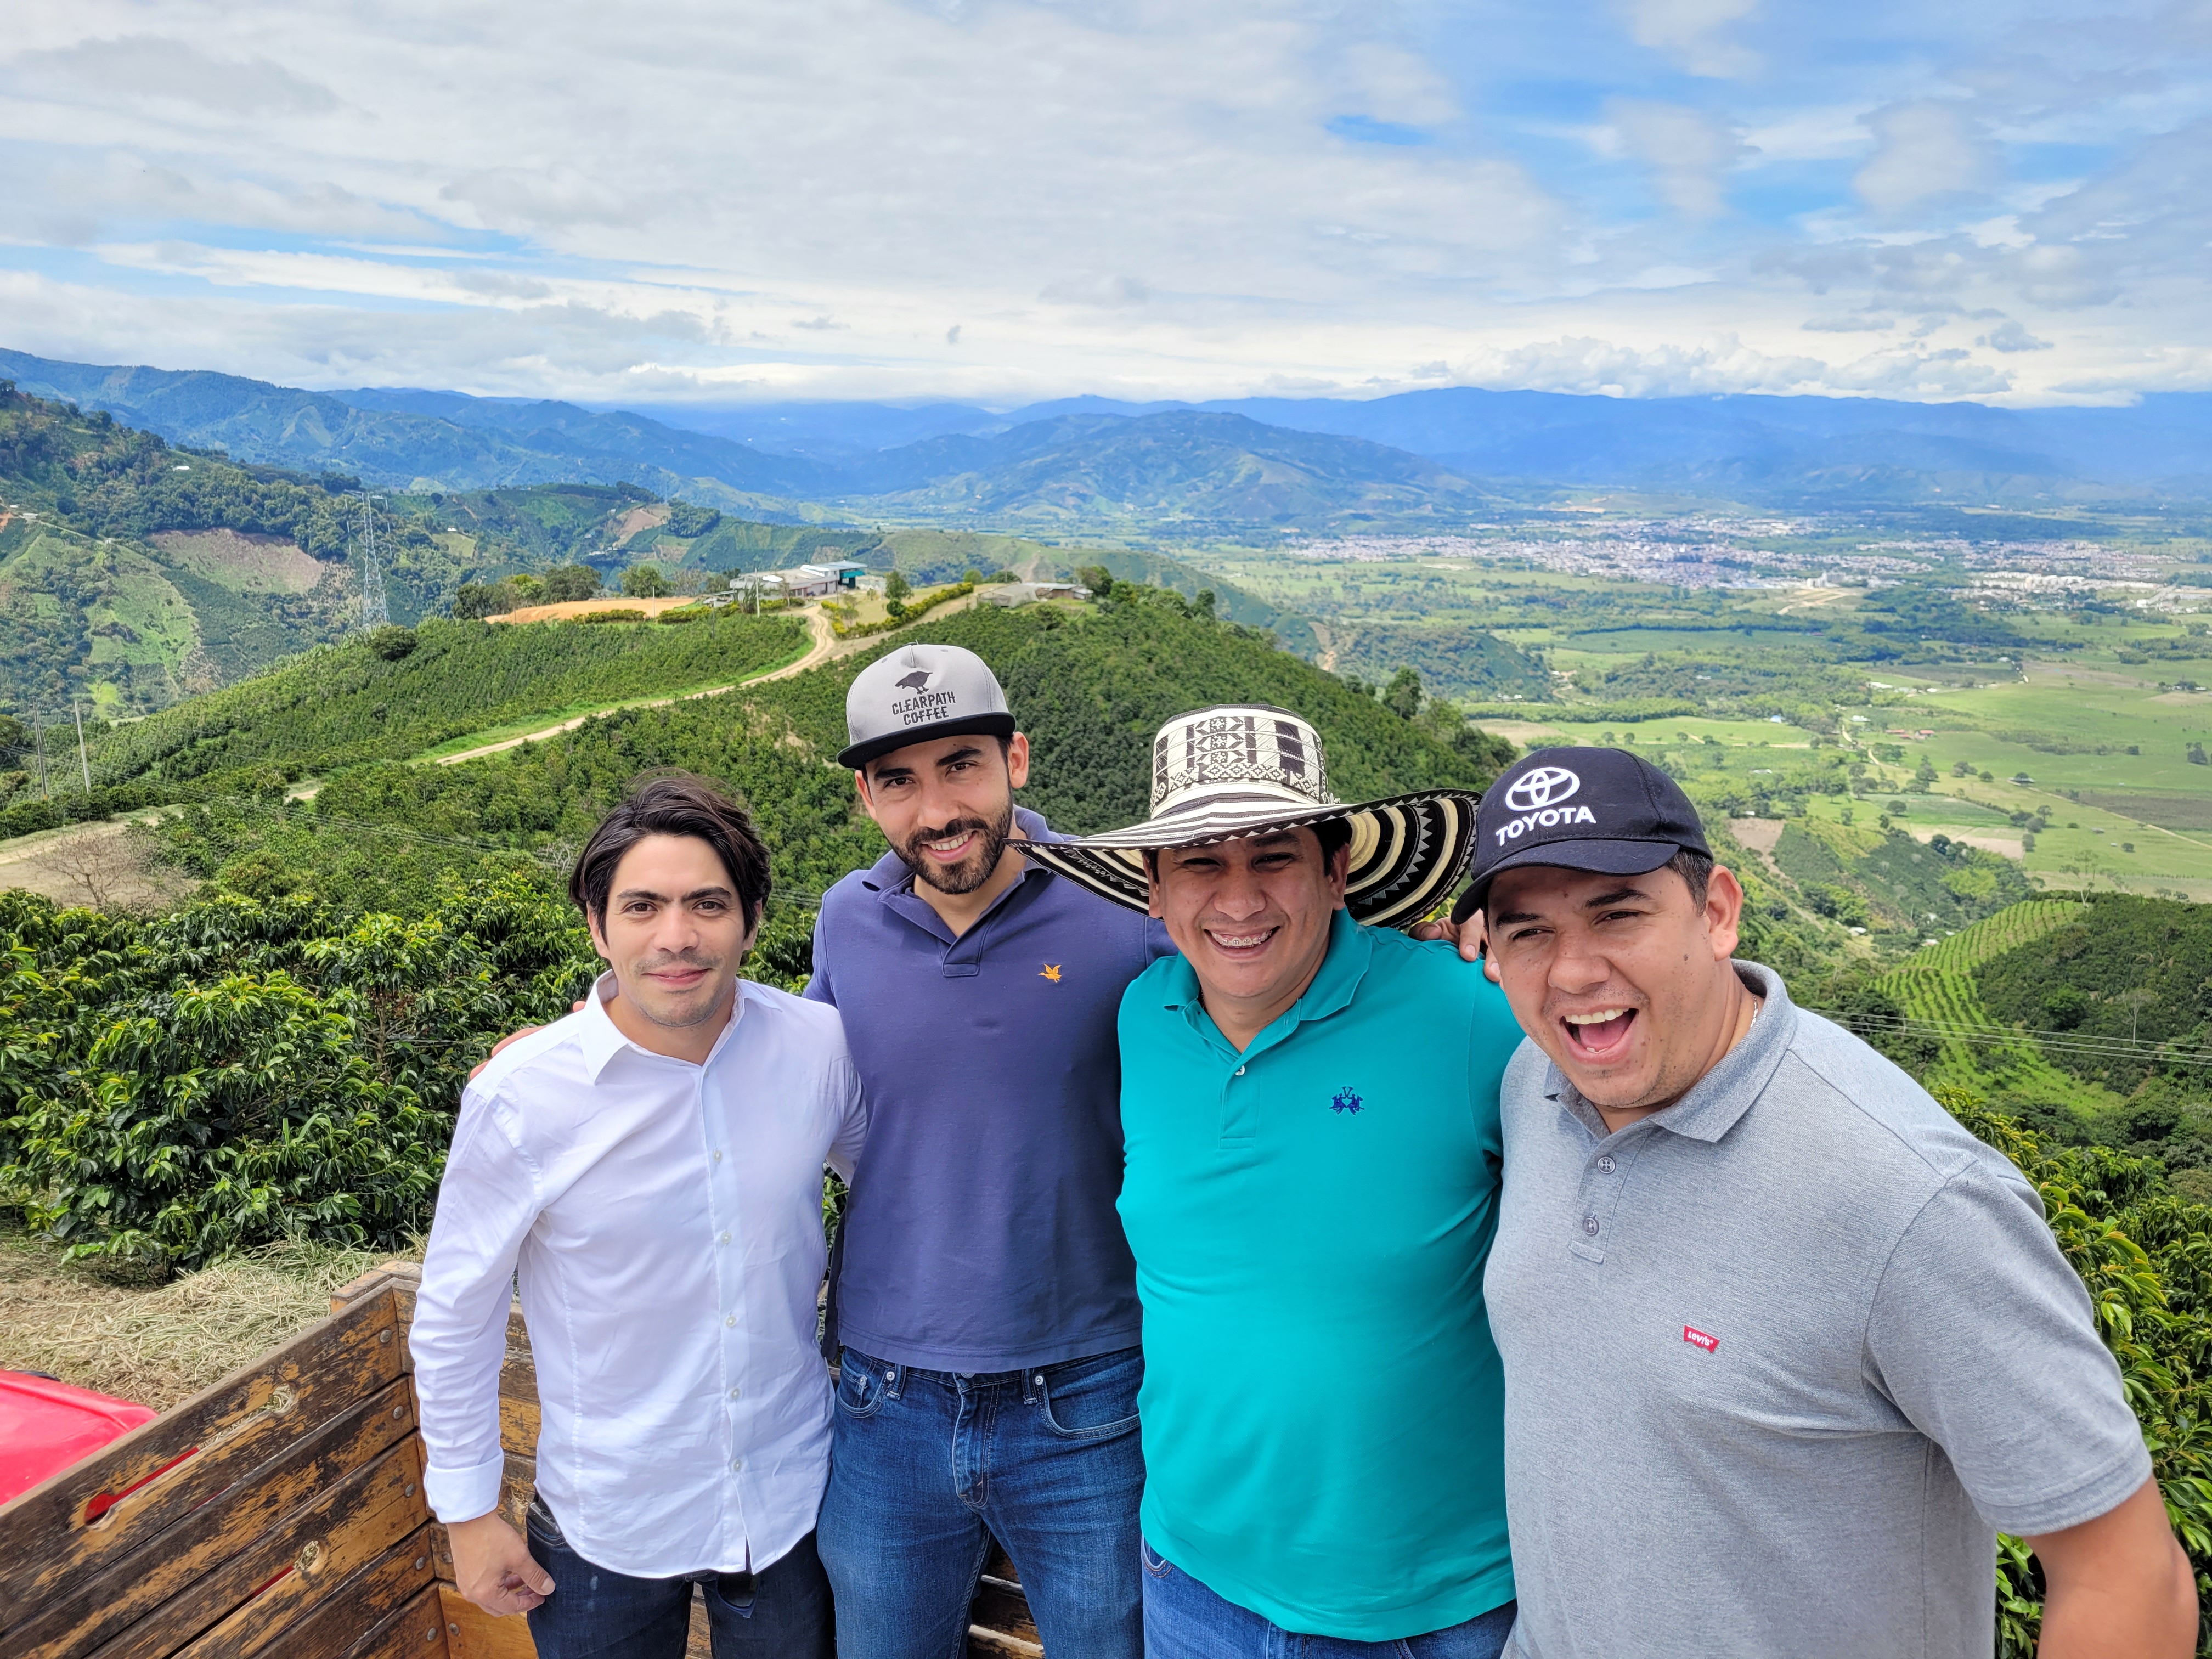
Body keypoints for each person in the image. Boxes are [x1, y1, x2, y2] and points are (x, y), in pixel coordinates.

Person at [1435, 746, 2194, 1659]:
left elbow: (2126, 1577)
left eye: (1618, 914)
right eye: (1528, 933)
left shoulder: (1911, 1200)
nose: (1572, 972)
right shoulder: (1538, 1083)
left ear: (1718, 913)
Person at [1023, 704, 1521, 1659]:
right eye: (1203, 862)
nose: (1240, 901)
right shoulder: (1142, 1020)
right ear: (1153, 891)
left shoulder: (1470, 1012)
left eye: (1275, 857)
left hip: (1430, 1608)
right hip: (1192, 1586)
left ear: (1336, 873)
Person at [411, 773, 865, 1659]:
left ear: (754, 917)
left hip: (790, 1497)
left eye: (708, 904)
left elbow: (899, 1182)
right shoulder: (523, 1098)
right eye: (642, 906)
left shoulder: (818, 1048)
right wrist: (469, 1513)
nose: (677, 938)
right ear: (596, 923)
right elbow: (455, 1316)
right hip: (605, 1521)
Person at [806, 643, 1170, 1659]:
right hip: (882, 1402)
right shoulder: (848, 919)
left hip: (1088, 1395)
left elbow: (1269, 977)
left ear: (1017, 759)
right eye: (898, 783)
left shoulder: (1128, 907)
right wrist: (599, 1027)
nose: (935, 812)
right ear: (868, 801)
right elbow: (780, 1074)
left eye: (960, 766)